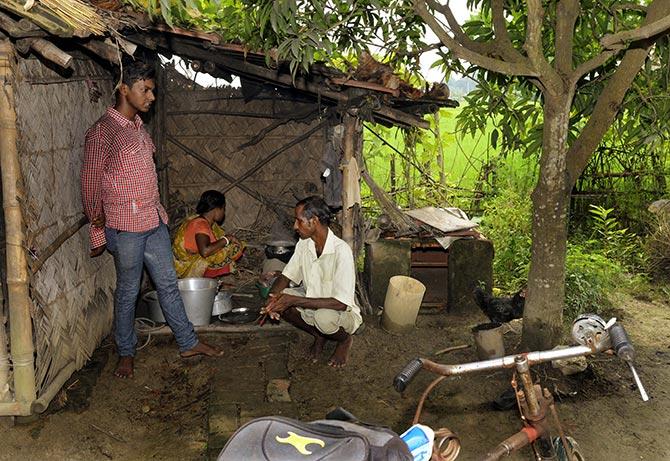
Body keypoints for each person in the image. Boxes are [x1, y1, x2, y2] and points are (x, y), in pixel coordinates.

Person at [80, 59, 222, 379]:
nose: (151, 97)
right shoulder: (103, 132)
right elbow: (90, 187)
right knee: (129, 290)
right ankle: (126, 353)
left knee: (169, 284)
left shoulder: (139, 127)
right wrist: (98, 229)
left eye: (152, 90)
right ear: (124, 89)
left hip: (153, 221)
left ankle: (187, 342)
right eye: (144, 90)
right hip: (126, 228)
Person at [261, 196, 362, 367]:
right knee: (280, 298)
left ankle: (344, 340)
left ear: (314, 221)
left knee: (323, 318)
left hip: (340, 312)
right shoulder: (304, 244)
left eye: (299, 221)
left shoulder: (341, 251)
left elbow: (341, 304)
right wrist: (272, 300)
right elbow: (286, 276)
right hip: (312, 301)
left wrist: (294, 300)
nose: (295, 226)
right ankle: (319, 336)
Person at [172, 190, 245, 279]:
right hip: (185, 268)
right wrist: (227, 239)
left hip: (187, 262)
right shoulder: (201, 225)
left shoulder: (201, 222)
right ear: (216, 209)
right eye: (223, 209)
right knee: (233, 248)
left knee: (220, 247)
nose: (224, 213)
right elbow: (205, 251)